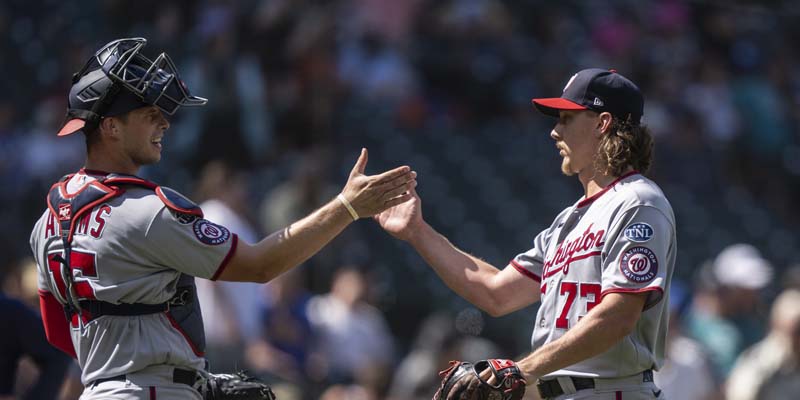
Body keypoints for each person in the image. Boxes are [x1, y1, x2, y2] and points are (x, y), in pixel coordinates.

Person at [28, 37, 416, 400]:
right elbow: (262, 265)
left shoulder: (46, 223)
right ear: (110, 126)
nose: (163, 122)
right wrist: (346, 207)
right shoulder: (147, 212)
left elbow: (59, 334)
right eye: (149, 113)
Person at [377, 68, 675, 399]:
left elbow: (618, 316)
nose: (554, 132)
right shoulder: (567, 222)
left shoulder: (638, 201)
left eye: (566, 119)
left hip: (613, 391)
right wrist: (417, 232)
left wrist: (522, 369)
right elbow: (495, 293)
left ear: (602, 123)